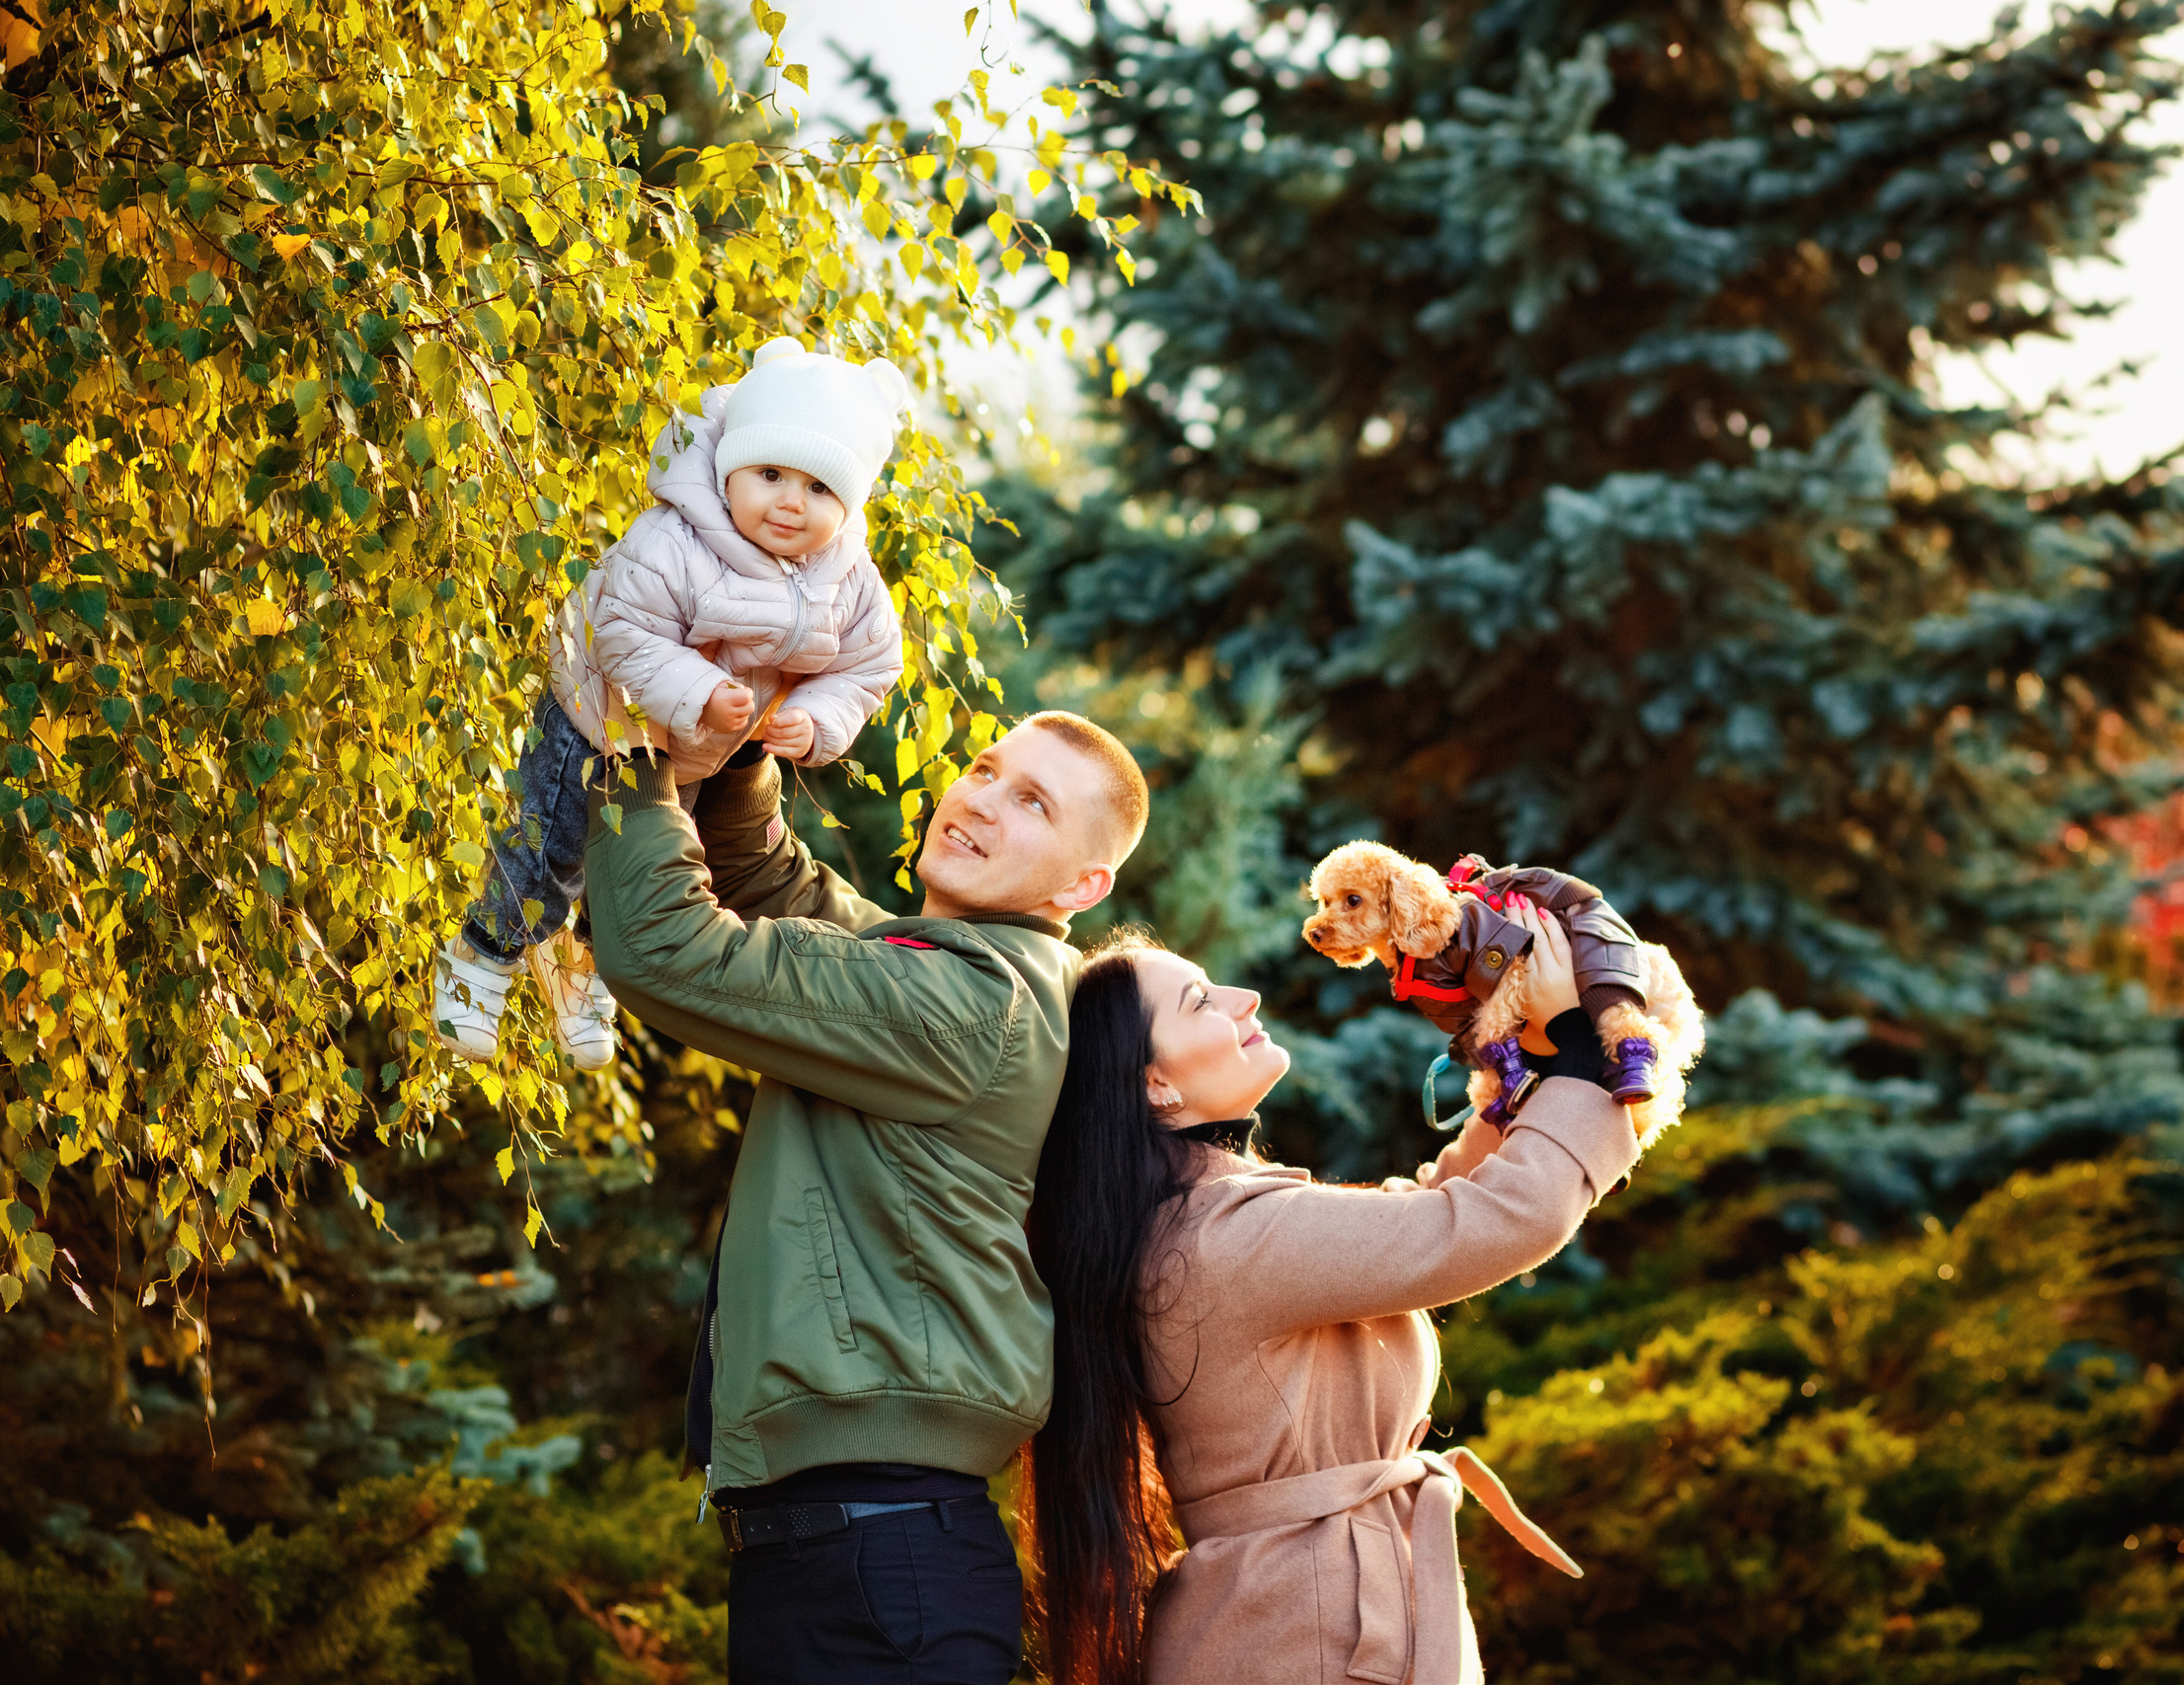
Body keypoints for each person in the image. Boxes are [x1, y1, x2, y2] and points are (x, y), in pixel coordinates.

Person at [582, 711, 1151, 1683]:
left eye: (1032, 803)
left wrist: (629, 742)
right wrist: (740, 740)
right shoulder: (959, 973)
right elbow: (774, 888)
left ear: (1081, 887)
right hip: (860, 1553)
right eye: (984, 768)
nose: (979, 800)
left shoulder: (972, 1006)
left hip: (876, 1566)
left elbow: (666, 949)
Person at [1023, 901, 1644, 1685]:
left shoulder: (1201, 1223)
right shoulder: (1228, 1237)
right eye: (1200, 1000)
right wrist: (1590, 1053)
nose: (1243, 997)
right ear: (1154, 1085)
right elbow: (1488, 1219)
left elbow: (1422, 1212)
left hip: (1291, 1618)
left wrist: (1518, 1052)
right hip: (1309, 1631)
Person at [432, 337, 913, 1069]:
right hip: (596, 720)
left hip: (690, 753)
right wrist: (700, 691)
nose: (791, 502)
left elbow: (870, 664)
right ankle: (480, 959)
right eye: (772, 473)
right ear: (729, 470)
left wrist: (817, 720)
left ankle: (579, 971)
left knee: (640, 869)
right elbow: (622, 630)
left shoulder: (848, 577)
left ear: (848, 504)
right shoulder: (676, 538)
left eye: (820, 489)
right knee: (547, 847)